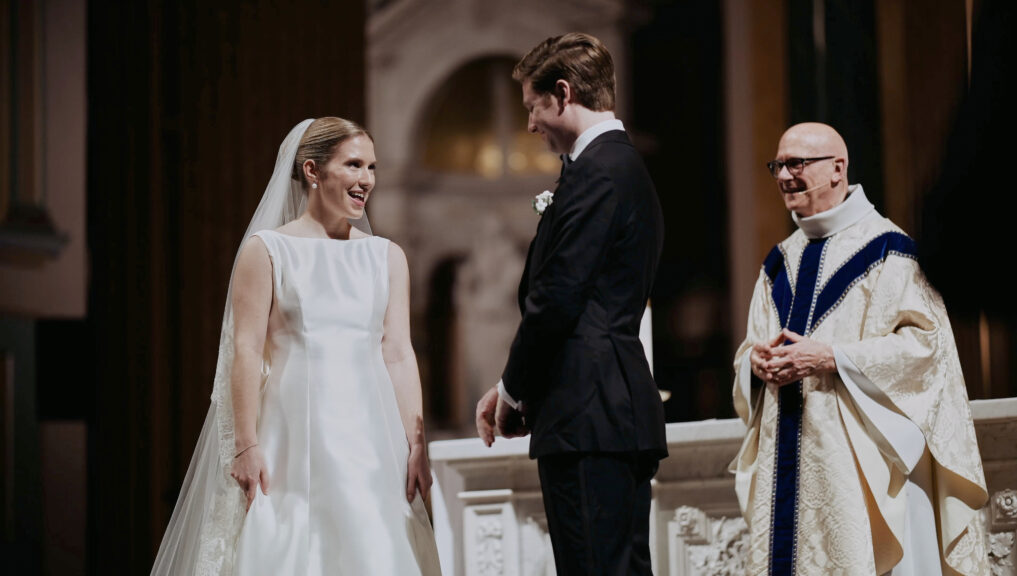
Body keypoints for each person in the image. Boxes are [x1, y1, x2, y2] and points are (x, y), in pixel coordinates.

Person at [151, 118, 442, 575]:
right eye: (353, 165)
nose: (367, 179)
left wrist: (417, 446)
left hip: (373, 437)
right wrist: (245, 445)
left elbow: (399, 353)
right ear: (312, 170)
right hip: (294, 435)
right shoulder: (267, 250)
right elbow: (244, 351)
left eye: (372, 167)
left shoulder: (386, 256)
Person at [731, 122, 989, 575]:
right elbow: (752, 344)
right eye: (778, 165)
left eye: (797, 163)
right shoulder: (778, 262)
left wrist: (832, 357)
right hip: (788, 462)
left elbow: (927, 350)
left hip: (862, 468)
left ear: (838, 169)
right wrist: (754, 363)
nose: (784, 175)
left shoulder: (892, 252)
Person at [474, 33, 665, 575]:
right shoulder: (611, 167)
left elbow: (557, 296)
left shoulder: (600, 172)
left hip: (591, 413)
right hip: (603, 409)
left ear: (562, 94)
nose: (530, 124)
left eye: (533, 107)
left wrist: (513, 389)